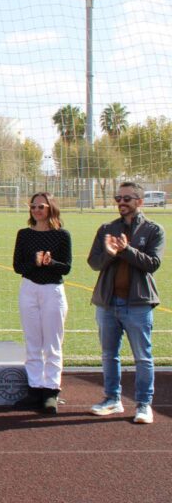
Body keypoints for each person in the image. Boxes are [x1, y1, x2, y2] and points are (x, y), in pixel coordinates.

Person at [88, 181, 165, 424]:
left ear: (139, 202)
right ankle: (112, 399)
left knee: (142, 357)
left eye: (127, 199)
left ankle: (143, 404)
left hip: (139, 304)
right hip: (108, 303)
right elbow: (94, 263)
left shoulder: (154, 230)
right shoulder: (106, 228)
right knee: (109, 354)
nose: (121, 202)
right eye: (118, 198)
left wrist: (127, 250)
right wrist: (110, 254)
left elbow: (152, 264)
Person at [12, 192, 72, 414]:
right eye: (33, 206)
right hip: (29, 289)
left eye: (41, 206)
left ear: (51, 208)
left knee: (53, 344)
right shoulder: (24, 234)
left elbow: (66, 267)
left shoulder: (62, 235)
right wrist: (35, 263)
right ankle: (35, 388)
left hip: (52, 291)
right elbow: (18, 266)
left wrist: (50, 262)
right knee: (32, 341)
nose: (36, 210)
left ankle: (51, 391)